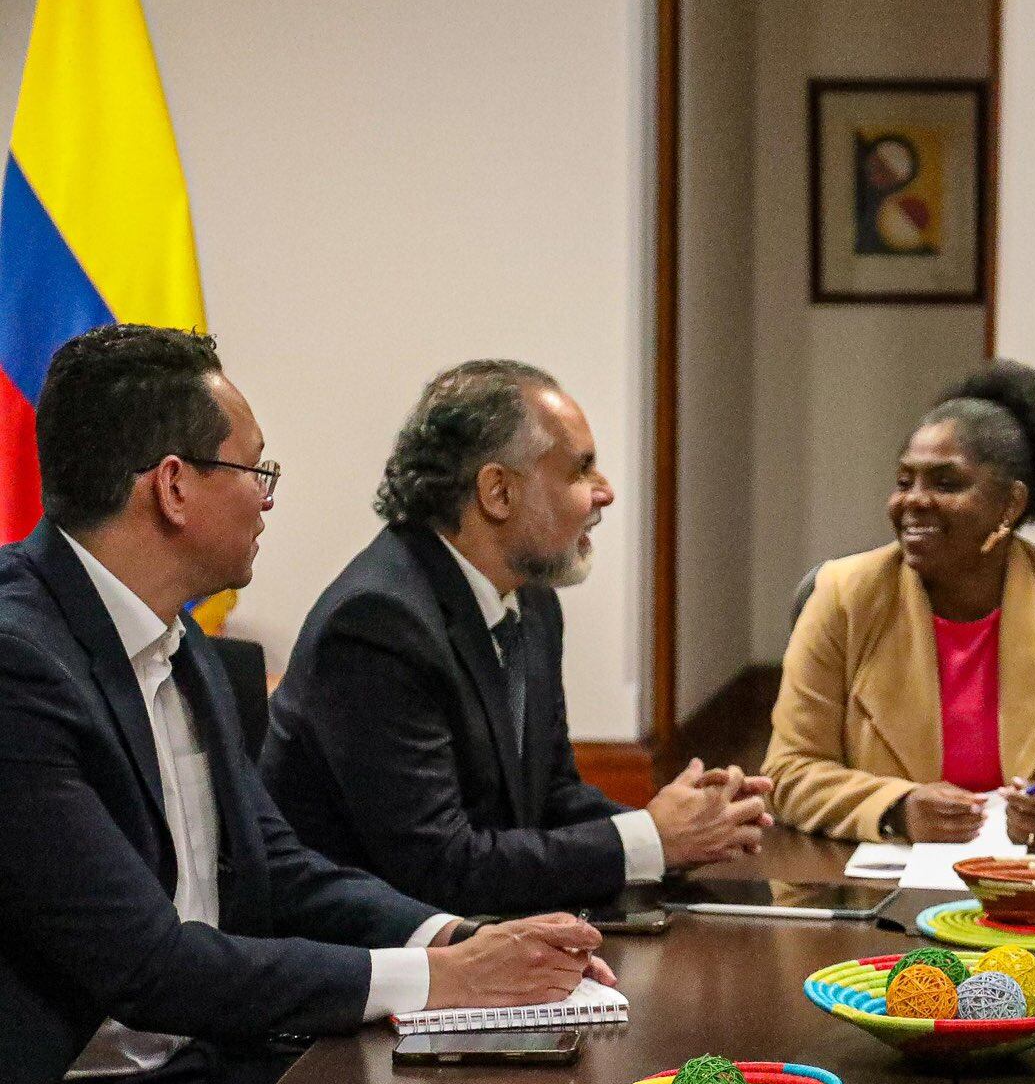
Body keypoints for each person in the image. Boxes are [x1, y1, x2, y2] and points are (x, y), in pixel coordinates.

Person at [0, 327, 616, 1084]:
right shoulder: (18, 661)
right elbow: (149, 966)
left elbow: (277, 870)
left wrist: (456, 935)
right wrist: (441, 977)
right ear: (172, 485)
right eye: (255, 468)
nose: (270, 496)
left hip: (202, 1057)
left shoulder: (182, 642)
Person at [263, 361, 768, 914]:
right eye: (581, 472)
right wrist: (649, 840)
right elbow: (438, 868)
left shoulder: (532, 601)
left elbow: (550, 800)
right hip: (365, 962)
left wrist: (681, 832)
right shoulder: (377, 622)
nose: (605, 494)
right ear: (497, 492)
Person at [763, 360, 1035, 851]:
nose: (913, 500)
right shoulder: (844, 597)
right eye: (903, 481)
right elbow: (790, 772)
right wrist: (898, 809)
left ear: (1011, 505)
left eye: (945, 483)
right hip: (880, 888)